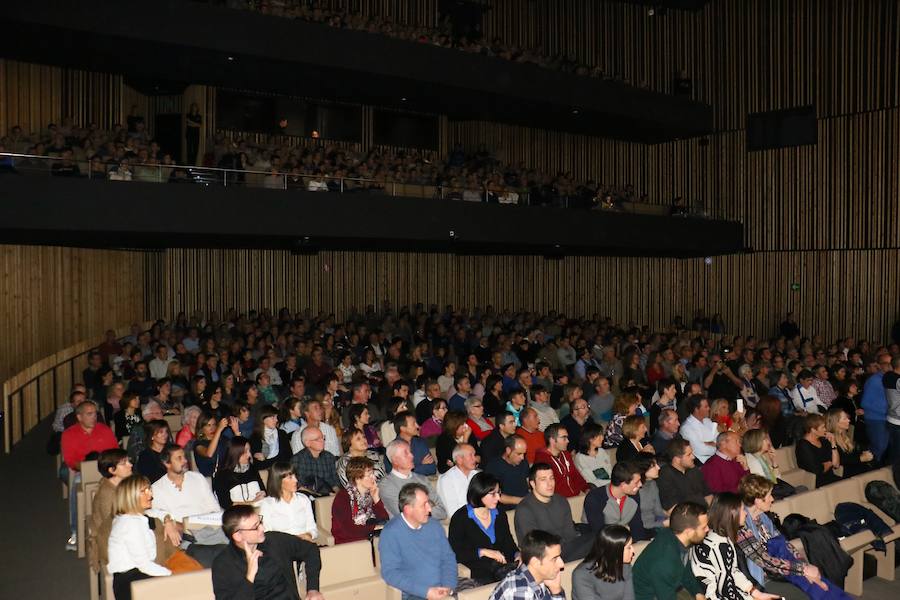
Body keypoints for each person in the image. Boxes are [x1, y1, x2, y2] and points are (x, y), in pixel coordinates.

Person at [737, 475, 851, 600]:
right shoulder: (741, 525)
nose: (773, 499)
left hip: (781, 571)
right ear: (758, 501)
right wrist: (802, 570)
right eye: (769, 495)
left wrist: (804, 568)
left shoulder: (763, 518)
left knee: (821, 586)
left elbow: (786, 546)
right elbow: (764, 561)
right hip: (761, 581)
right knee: (808, 594)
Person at [212, 504, 324, 600]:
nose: (262, 528)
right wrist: (250, 576)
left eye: (260, 522)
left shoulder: (274, 541)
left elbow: (311, 549)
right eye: (255, 527)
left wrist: (312, 589)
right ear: (238, 536)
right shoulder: (223, 564)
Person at [691, 493, 780, 600]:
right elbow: (724, 589)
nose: (746, 514)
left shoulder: (719, 536)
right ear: (732, 514)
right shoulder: (720, 546)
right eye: (743, 510)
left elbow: (733, 572)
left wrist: (755, 593)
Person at [380, 482, 458, 600]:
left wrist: (448, 586)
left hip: (445, 588)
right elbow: (391, 573)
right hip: (416, 594)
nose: (429, 509)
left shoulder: (434, 526)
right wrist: (426, 592)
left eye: (429, 503)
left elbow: (448, 558)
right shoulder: (391, 533)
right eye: (424, 505)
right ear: (408, 509)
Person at [146, 443, 229, 554]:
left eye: (184, 456)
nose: (185, 460)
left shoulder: (197, 478)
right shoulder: (157, 488)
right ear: (167, 463)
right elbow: (151, 512)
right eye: (179, 458)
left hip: (210, 528)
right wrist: (169, 521)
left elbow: (214, 508)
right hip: (185, 536)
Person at [61, 399, 118, 549]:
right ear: (79, 417)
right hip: (84, 472)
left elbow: (115, 452)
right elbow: (71, 461)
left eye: (95, 414)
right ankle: (76, 532)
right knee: (77, 487)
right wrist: (89, 467)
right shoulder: (69, 434)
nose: (94, 417)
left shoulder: (104, 430)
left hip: (108, 471)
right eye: (89, 414)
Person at [107, 475, 172, 600]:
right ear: (130, 497)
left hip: (135, 576)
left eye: (149, 489)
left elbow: (158, 512)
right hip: (131, 582)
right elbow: (144, 564)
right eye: (143, 491)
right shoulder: (131, 524)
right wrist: (172, 575)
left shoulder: (129, 517)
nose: (150, 495)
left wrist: (167, 519)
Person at [448, 472, 520, 584]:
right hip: (479, 570)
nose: (498, 498)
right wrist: (483, 552)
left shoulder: (499, 513)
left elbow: (508, 542)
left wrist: (517, 555)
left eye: (499, 493)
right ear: (479, 493)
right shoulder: (461, 518)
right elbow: (456, 553)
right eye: (493, 494)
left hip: (504, 566)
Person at [515, 463, 593, 562]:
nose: (550, 484)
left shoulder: (561, 500)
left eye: (551, 478)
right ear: (532, 484)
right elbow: (533, 546)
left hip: (567, 548)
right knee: (598, 541)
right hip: (545, 556)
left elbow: (570, 534)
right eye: (543, 479)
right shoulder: (525, 509)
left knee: (603, 535)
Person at [632, 502, 707, 600]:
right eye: (704, 527)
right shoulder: (664, 561)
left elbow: (685, 568)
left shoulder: (676, 537)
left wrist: (698, 592)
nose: (708, 529)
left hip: (669, 588)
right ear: (689, 532)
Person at [88, 449, 136, 573]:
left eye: (128, 461)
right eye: (124, 463)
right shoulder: (107, 494)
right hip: (110, 543)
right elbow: (113, 529)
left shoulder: (124, 485)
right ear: (112, 470)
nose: (130, 465)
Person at [379, 439, 448, 519]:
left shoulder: (422, 479)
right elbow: (405, 516)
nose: (412, 456)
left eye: (410, 452)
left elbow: (442, 512)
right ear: (395, 460)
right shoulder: (386, 485)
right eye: (406, 453)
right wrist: (429, 506)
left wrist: (417, 509)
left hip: (432, 527)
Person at [488, 529, 565, 600]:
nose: (561, 564)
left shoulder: (539, 579)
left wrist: (556, 591)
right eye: (554, 559)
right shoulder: (520, 591)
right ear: (535, 562)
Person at [583, 461, 649, 540]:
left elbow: (637, 527)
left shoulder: (634, 496)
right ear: (623, 485)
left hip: (622, 540)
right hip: (597, 542)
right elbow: (599, 533)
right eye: (636, 482)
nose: (640, 485)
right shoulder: (595, 498)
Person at [331, 455, 389, 544]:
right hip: (349, 542)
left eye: (373, 474)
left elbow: (384, 519)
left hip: (370, 538)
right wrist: (374, 528)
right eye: (369, 475)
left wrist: (376, 499)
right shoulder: (343, 497)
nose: (374, 478)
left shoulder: (370, 495)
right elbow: (347, 529)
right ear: (357, 478)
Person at [572, 524, 635, 600]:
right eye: (629, 547)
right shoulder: (582, 575)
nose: (633, 551)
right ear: (614, 550)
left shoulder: (625, 566)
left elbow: (629, 597)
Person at [258, 462, 318, 541]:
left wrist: (309, 535)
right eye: (290, 477)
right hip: (281, 547)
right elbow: (267, 534)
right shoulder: (268, 504)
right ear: (279, 481)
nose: (296, 480)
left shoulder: (303, 500)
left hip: (303, 544)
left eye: (295, 476)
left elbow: (313, 529)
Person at [534, 423, 589, 497]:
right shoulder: (542, 460)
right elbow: (545, 488)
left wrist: (586, 488)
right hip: (558, 501)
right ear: (552, 440)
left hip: (576, 496)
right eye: (564, 438)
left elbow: (575, 474)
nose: (568, 441)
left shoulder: (566, 454)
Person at [657, 439, 712, 511]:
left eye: (692, 453)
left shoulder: (694, 469)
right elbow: (672, 508)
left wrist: (712, 512)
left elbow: (707, 495)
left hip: (704, 512)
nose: (693, 457)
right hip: (687, 516)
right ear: (677, 459)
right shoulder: (665, 475)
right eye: (689, 455)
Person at [213, 436, 266, 509]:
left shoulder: (252, 469)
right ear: (235, 453)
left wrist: (263, 494)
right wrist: (252, 503)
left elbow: (263, 490)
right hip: (236, 514)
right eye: (245, 452)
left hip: (258, 509)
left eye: (249, 451)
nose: (249, 455)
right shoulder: (223, 475)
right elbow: (225, 504)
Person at [290, 426, 340, 495]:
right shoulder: (298, 459)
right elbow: (299, 486)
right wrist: (320, 496)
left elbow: (335, 483)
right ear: (307, 443)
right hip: (308, 497)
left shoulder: (329, 457)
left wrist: (336, 495)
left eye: (323, 438)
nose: (322, 441)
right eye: (317, 439)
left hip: (329, 496)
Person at [825, 407, 874, 477]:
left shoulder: (844, 435)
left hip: (855, 469)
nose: (848, 420)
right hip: (845, 474)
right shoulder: (829, 438)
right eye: (844, 419)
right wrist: (860, 458)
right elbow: (838, 462)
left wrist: (862, 454)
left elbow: (851, 454)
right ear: (836, 423)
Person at [795, 414, 842, 487]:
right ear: (813, 430)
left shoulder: (823, 440)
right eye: (823, 427)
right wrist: (830, 463)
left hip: (830, 477)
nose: (826, 429)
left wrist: (833, 443)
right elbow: (817, 470)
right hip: (815, 482)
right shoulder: (803, 445)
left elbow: (836, 464)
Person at [485, 435, 531, 508]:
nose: (522, 457)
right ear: (508, 450)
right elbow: (493, 494)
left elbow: (528, 482)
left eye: (524, 454)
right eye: (519, 454)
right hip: (507, 509)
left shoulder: (524, 462)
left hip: (526, 505)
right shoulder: (494, 466)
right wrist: (522, 501)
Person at [861, 353, 891, 461]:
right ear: (879, 365)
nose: (889, 366)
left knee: (884, 447)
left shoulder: (889, 378)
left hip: (886, 418)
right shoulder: (874, 380)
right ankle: (870, 470)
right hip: (876, 419)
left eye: (890, 363)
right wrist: (886, 411)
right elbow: (865, 403)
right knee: (878, 447)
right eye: (885, 363)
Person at [437, 443, 480, 516]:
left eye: (474, 455)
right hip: (463, 520)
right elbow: (453, 512)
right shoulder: (447, 480)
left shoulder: (477, 474)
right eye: (470, 455)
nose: (475, 459)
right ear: (459, 459)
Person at [392, 411, 438, 476]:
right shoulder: (393, 448)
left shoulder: (421, 443)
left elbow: (432, 469)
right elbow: (396, 475)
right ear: (403, 429)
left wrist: (411, 469)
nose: (418, 426)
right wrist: (420, 466)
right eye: (413, 424)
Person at [249, 405, 292, 471]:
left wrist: (266, 461)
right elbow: (258, 465)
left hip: (283, 470)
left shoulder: (282, 434)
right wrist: (278, 459)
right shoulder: (255, 438)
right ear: (263, 419)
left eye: (276, 417)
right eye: (273, 417)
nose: (276, 420)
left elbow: (289, 457)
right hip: (265, 473)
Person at [678, 395, 719, 463]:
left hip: (715, 458)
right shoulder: (686, 428)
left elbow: (718, 438)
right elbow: (701, 450)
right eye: (706, 407)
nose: (709, 408)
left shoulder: (708, 421)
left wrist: (709, 443)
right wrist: (718, 446)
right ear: (696, 409)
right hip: (702, 463)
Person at [574, 423, 612, 488]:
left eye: (602, 435)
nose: (602, 438)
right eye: (599, 435)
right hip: (598, 488)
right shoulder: (580, 458)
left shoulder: (602, 452)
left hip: (612, 485)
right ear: (590, 438)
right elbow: (590, 480)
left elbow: (610, 470)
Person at [636, 456, 667, 532]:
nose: (658, 468)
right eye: (653, 466)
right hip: (645, 529)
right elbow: (645, 523)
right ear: (644, 469)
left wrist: (675, 517)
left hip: (656, 522)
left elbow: (658, 510)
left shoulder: (652, 483)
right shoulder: (636, 490)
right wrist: (664, 523)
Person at [136, 419, 172, 483]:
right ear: (152, 436)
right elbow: (147, 478)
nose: (165, 435)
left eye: (166, 431)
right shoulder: (145, 456)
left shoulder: (172, 450)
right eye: (161, 432)